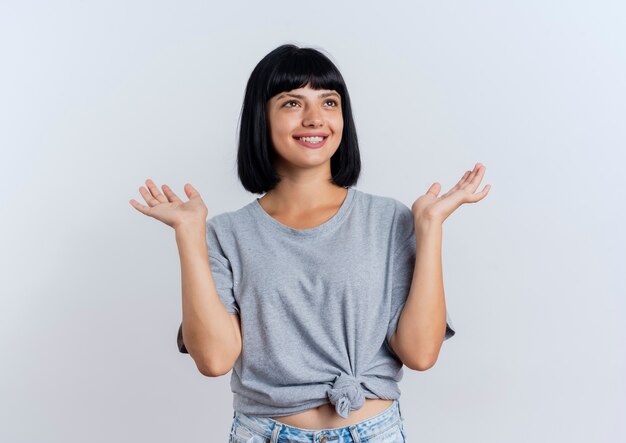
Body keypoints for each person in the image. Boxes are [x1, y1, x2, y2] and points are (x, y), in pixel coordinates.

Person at [129, 43, 490, 442]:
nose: (315, 119)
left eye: (329, 102)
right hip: (263, 433)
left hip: (374, 432)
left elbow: (420, 354)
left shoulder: (389, 221)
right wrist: (189, 234)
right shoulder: (225, 235)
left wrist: (430, 226)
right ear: (260, 118)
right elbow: (214, 360)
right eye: (291, 104)